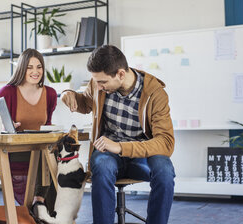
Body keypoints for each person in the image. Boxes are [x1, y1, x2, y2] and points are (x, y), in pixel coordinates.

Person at [61, 45, 175, 224]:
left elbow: (166, 143)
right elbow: (85, 102)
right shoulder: (98, 84)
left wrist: (121, 147)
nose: (98, 86)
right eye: (96, 81)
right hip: (109, 155)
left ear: (121, 74)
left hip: (141, 156)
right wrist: (69, 94)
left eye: (103, 82)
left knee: (165, 171)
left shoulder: (155, 94)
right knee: (102, 165)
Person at [0, 48, 57, 212]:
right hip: (13, 151)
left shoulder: (50, 94)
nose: (36, 71)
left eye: (39, 67)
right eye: (30, 67)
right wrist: (7, 126)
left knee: (50, 152)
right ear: (21, 69)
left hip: (40, 150)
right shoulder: (7, 92)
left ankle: (38, 202)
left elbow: (47, 124)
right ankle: (39, 206)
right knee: (45, 153)